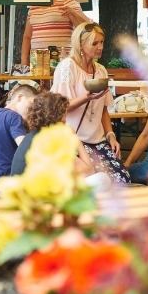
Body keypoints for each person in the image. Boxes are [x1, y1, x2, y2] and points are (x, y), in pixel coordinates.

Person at [51, 22, 130, 183]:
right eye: (95, 43)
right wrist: (86, 98)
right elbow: (59, 107)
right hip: (73, 139)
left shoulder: (100, 70)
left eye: (102, 42)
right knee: (96, 181)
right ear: (80, 44)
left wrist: (111, 136)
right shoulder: (67, 67)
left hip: (98, 140)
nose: (100, 47)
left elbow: (103, 110)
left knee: (122, 181)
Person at [10, 91, 93, 178]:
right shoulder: (49, 142)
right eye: (65, 115)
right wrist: (74, 136)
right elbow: (89, 171)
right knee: (101, 178)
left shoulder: (32, 136)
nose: (66, 120)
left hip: (23, 189)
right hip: (34, 190)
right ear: (57, 117)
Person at [21, 0, 91, 64]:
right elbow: (27, 36)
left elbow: (86, 27)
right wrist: (24, 59)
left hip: (63, 61)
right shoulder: (33, 7)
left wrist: (74, 13)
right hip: (37, 64)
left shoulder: (68, 1)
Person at [0, 84, 38, 196]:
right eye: (31, 104)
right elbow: (24, 147)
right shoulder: (14, 117)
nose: (32, 110)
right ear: (20, 97)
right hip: (8, 182)